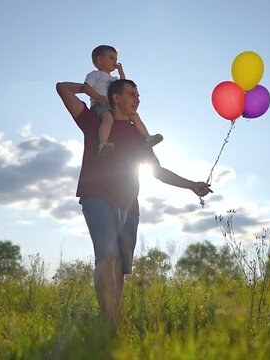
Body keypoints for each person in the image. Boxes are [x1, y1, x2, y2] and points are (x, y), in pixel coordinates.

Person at [55, 78, 212, 325]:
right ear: (116, 97)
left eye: (138, 95)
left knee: (120, 267)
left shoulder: (140, 136)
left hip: (130, 206)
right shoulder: (95, 122)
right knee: (106, 255)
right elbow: (62, 88)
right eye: (131, 94)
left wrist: (191, 185)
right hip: (97, 197)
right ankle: (107, 322)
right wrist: (92, 92)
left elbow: (157, 171)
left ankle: (111, 324)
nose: (137, 99)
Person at [83, 45, 163, 156]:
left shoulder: (113, 79)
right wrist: (97, 97)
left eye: (116, 59)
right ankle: (103, 143)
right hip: (101, 105)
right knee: (108, 118)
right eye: (111, 58)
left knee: (135, 116)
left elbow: (124, 86)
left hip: (113, 106)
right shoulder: (95, 75)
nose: (115, 61)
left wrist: (121, 73)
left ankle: (147, 137)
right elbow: (85, 87)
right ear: (100, 60)